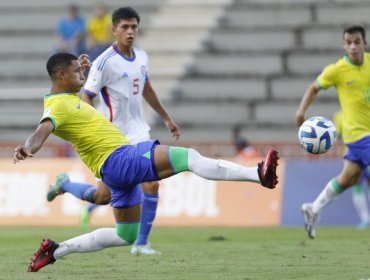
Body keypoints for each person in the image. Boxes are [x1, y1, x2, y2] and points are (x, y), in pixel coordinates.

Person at [14, 52, 279, 272]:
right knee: (188, 157)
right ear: (61, 76)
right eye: (75, 72)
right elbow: (42, 129)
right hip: (120, 159)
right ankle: (258, 174)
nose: (82, 74)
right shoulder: (56, 107)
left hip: (112, 170)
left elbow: (72, 95)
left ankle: (55, 251)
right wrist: (28, 148)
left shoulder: (68, 98)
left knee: (125, 235)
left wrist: (80, 71)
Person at [46, 6, 180, 255]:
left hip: (139, 133)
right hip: (111, 138)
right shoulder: (104, 61)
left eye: (133, 27)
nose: (130, 32)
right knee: (101, 197)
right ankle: (64, 185)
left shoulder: (141, 56)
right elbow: (86, 96)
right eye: (125, 27)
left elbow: (147, 88)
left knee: (151, 185)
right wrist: (85, 133)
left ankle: (141, 243)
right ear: (114, 29)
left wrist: (166, 118)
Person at [295, 24, 370, 239]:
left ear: (364, 43)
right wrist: (301, 112)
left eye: (357, 42)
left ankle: (314, 208)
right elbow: (314, 87)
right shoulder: (336, 70)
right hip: (358, 135)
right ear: (344, 45)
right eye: (348, 42)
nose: (353, 46)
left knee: (348, 179)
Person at [334, 111, 370, 229]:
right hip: (351, 154)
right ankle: (365, 219)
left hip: (367, 150)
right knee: (356, 184)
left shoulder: (364, 109)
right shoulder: (339, 116)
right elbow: (336, 136)